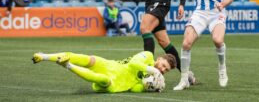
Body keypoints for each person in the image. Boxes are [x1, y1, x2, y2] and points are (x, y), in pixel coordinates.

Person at [32, 51, 176, 93]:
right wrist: (152, 70)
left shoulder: (154, 78)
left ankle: (68, 66)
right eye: (163, 65)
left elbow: (135, 88)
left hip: (116, 84)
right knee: (87, 59)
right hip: (110, 65)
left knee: (103, 80)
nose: (162, 70)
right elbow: (133, 63)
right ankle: (44, 56)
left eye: (166, 70)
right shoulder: (148, 56)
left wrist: (148, 87)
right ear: (159, 58)